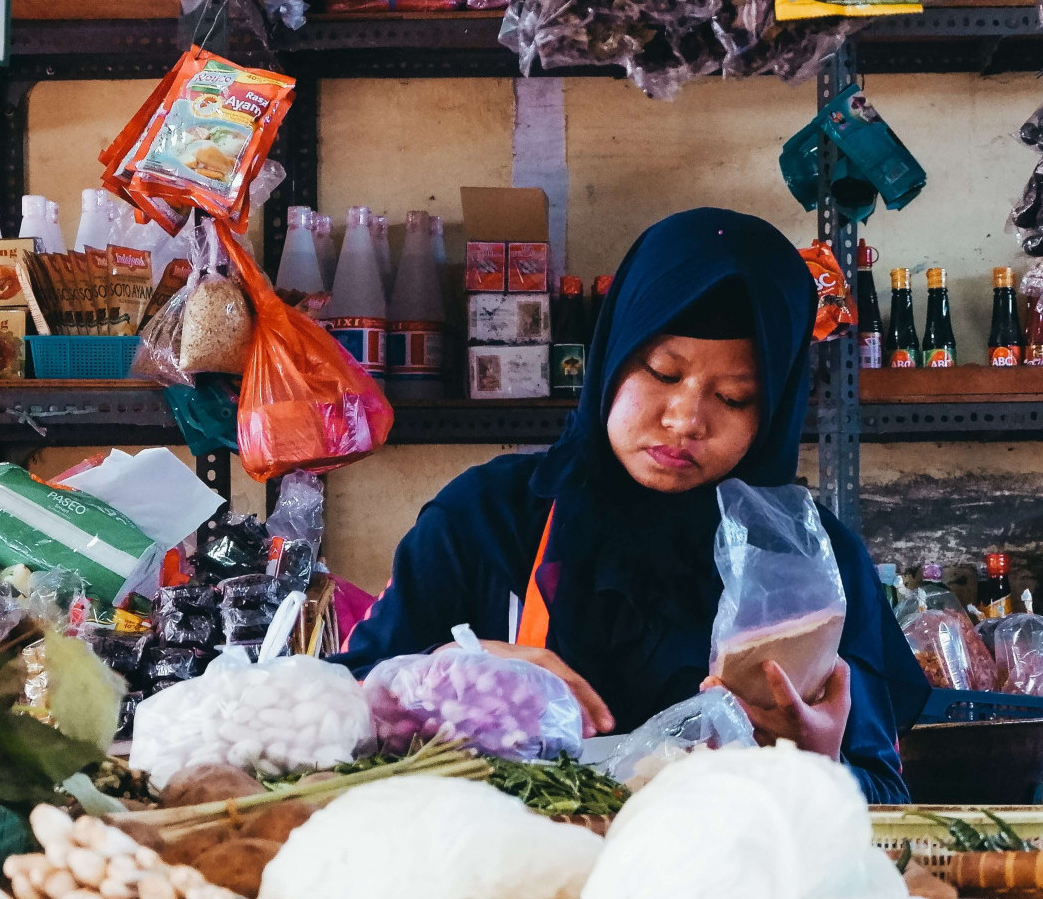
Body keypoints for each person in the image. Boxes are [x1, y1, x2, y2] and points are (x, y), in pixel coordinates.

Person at [337, 208, 928, 802]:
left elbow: (883, 795)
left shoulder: (811, 570)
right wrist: (449, 669)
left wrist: (818, 763)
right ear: (613, 356)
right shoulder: (487, 517)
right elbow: (343, 710)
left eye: (734, 396)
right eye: (661, 372)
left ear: (774, 412)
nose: (685, 420)